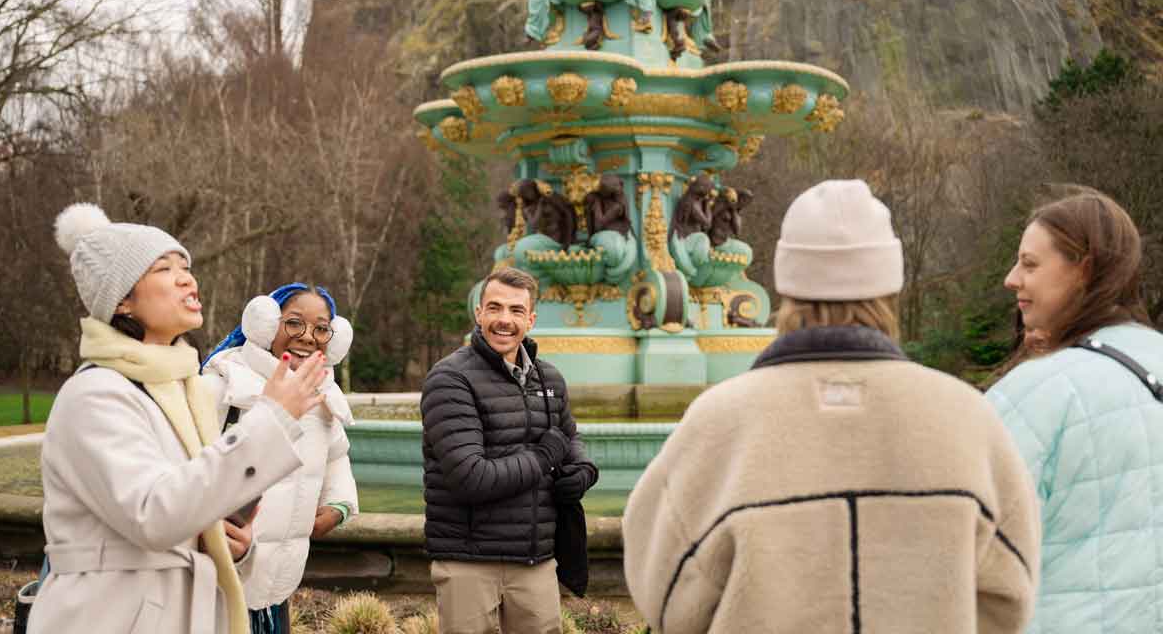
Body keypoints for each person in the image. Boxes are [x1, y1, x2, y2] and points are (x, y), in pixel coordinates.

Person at [623, 179, 1041, 634]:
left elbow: (661, 586)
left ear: (787, 285)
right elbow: (1010, 593)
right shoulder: (966, 418)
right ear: (890, 287)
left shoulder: (721, 421)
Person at [31, 204, 326, 634]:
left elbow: (194, 500)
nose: (187, 278)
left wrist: (231, 543)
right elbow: (155, 515)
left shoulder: (181, 390)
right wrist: (273, 418)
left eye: (185, 266)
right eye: (164, 269)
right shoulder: (95, 394)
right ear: (123, 301)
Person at [987, 188, 1163, 634]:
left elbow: (964, 545)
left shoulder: (1038, 390)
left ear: (1082, 269)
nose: (1011, 279)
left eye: (1030, 264)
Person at [421, 266, 598, 634]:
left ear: (530, 319)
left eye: (516, 311)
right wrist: (544, 457)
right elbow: (471, 477)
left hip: (535, 561)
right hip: (469, 561)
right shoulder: (449, 378)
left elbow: (570, 440)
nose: (505, 320)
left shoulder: (548, 378)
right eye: (495, 308)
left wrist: (583, 472)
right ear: (478, 313)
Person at [201, 283, 359, 634]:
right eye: (294, 324)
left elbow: (337, 457)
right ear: (265, 325)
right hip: (220, 576)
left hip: (278, 585)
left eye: (321, 329)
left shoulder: (324, 394)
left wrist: (340, 505)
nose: (308, 337)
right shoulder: (225, 383)